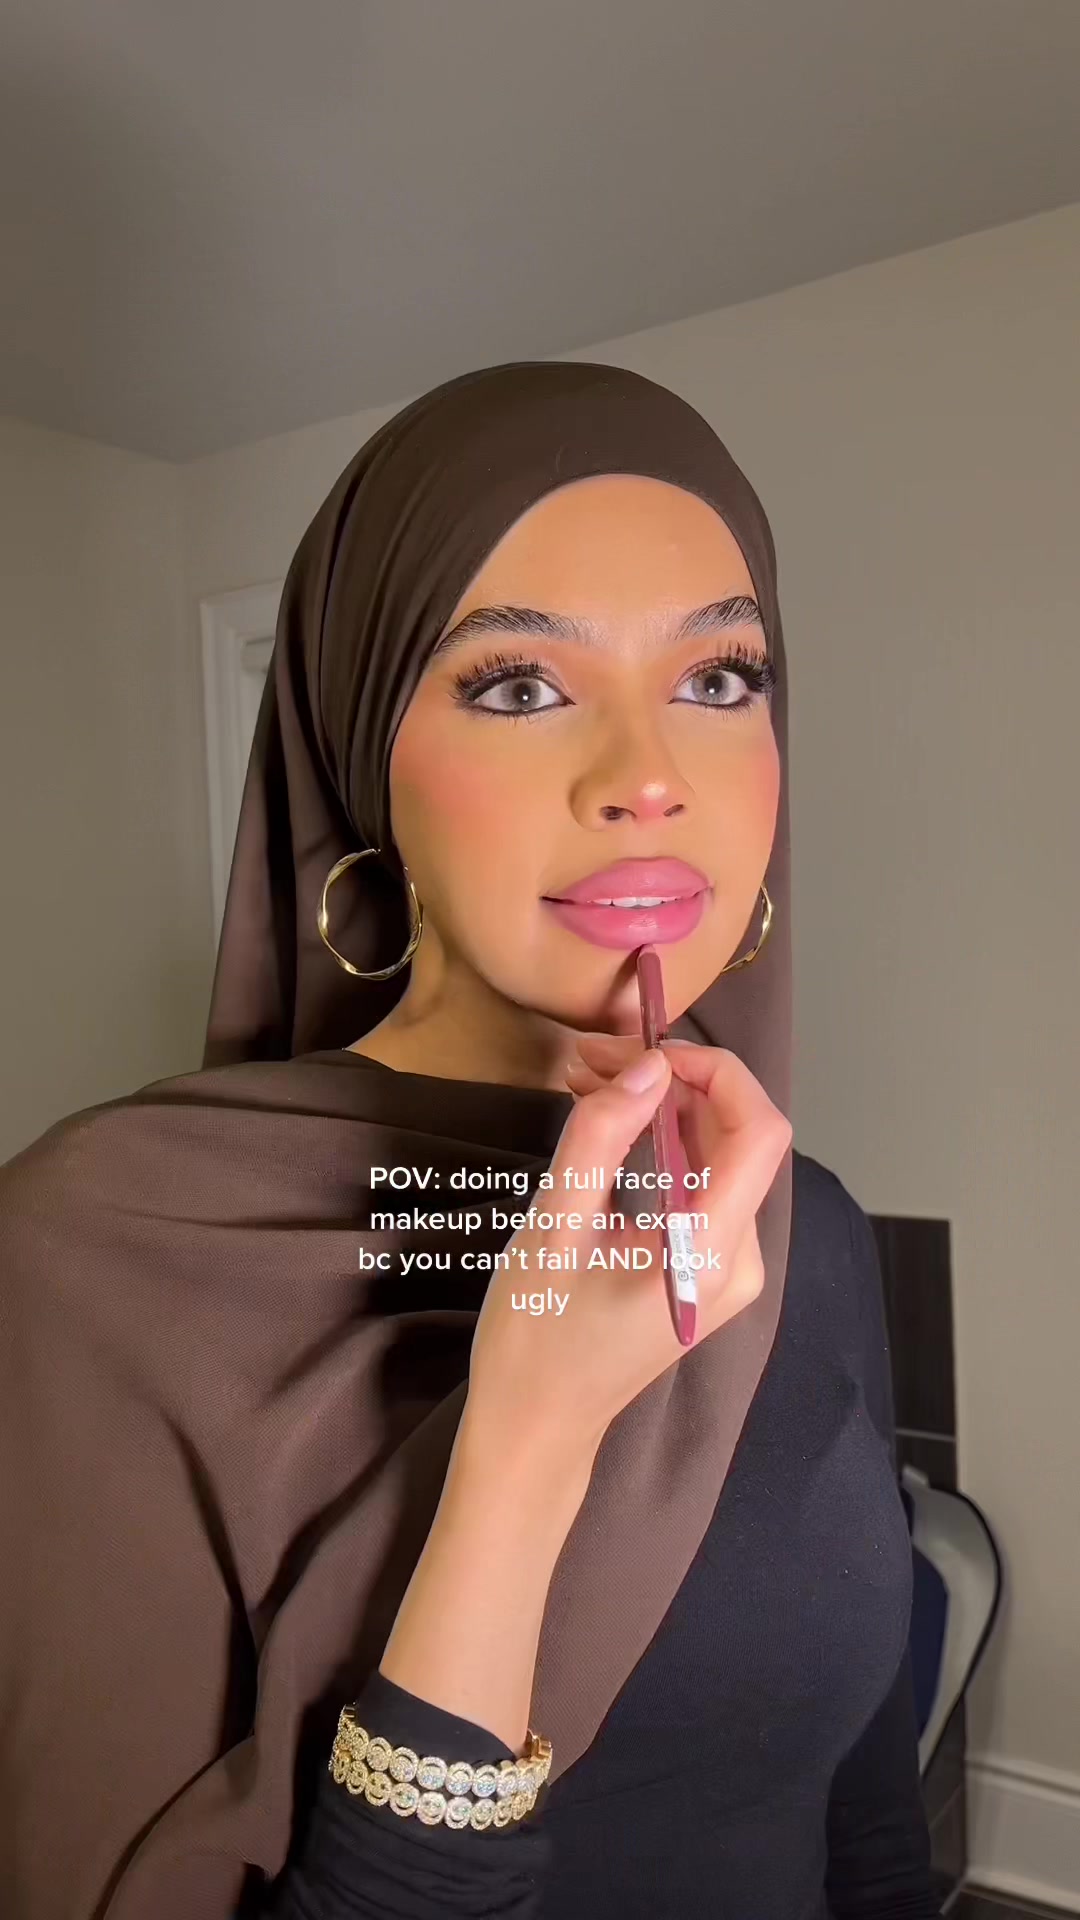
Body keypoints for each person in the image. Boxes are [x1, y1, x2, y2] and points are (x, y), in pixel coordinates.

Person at [0, 362, 939, 1919]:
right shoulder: (90, 1257)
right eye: (518, 686)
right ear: (364, 753)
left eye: (720, 678)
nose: (648, 777)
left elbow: (867, 1828)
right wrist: (525, 1448)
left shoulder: (795, 1224)